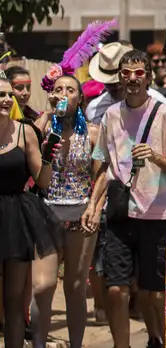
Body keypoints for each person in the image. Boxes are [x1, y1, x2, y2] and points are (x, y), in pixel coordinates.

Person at [83, 50, 166, 348]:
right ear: (120, 77)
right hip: (119, 212)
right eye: (126, 73)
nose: (132, 79)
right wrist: (92, 205)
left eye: (139, 73)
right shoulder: (111, 115)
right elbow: (104, 166)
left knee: (155, 293)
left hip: (156, 214)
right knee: (116, 290)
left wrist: (154, 156)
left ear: (148, 78)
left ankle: (160, 341)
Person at [34, 73, 101, 348]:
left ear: (80, 97)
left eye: (70, 89)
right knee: (43, 285)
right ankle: (38, 343)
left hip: (80, 213)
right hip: (46, 212)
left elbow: (103, 174)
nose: (63, 93)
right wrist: (49, 112)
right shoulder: (43, 127)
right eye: (58, 89)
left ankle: (76, 344)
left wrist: (95, 207)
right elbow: (28, 140)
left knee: (74, 286)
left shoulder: (94, 133)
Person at [0, 76, 60, 348]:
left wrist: (47, 157)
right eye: (0, 95)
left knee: (14, 301)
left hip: (16, 219)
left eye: (7, 95)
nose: (5, 100)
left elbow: (43, 181)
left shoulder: (25, 132)